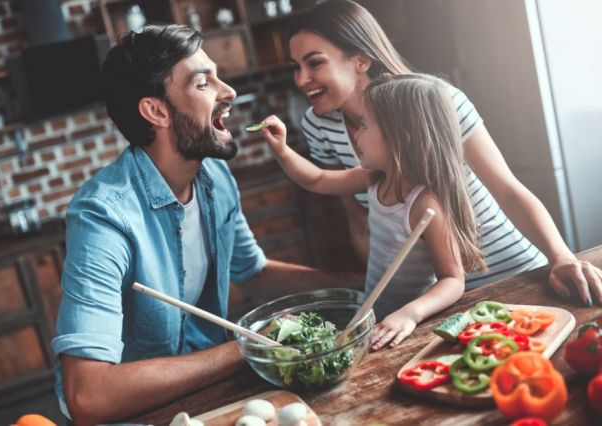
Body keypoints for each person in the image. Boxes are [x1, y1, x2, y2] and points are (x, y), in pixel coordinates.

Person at [51, 25, 362, 426]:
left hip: (206, 398)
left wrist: (362, 286)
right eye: (204, 83)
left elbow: (256, 274)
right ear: (157, 111)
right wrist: (248, 346)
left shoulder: (213, 175)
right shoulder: (103, 216)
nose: (227, 91)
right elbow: (88, 395)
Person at [287, 0, 602, 305]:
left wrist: (560, 256)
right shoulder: (319, 125)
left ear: (360, 59)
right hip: (433, 303)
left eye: (314, 63)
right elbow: (360, 223)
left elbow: (507, 190)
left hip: (511, 275)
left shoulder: (435, 101)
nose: (301, 79)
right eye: (296, 67)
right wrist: (384, 299)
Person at [260, 73, 485, 349]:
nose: (356, 134)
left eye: (365, 125)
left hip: (405, 330)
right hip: (375, 317)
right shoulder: (375, 178)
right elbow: (317, 179)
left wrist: (408, 315)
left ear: (400, 140)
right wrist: (282, 151)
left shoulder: (425, 205)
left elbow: (453, 280)